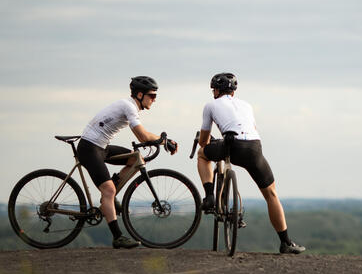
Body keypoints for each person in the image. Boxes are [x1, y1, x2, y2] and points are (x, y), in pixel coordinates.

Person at [197, 73, 305, 254]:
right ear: (233, 91)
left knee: (202, 154)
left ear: (216, 90)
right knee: (271, 194)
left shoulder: (210, 105)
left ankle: (209, 197)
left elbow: (203, 140)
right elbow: (251, 129)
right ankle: (286, 242)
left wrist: (208, 144)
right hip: (254, 147)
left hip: (232, 145)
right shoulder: (246, 105)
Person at [78, 76, 178, 249]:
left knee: (134, 158)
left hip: (101, 147)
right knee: (108, 189)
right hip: (90, 148)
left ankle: (110, 197)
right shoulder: (129, 106)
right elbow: (142, 136)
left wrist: (162, 141)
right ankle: (118, 237)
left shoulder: (131, 106)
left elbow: (144, 136)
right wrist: (164, 140)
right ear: (139, 94)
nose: (154, 100)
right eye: (152, 96)